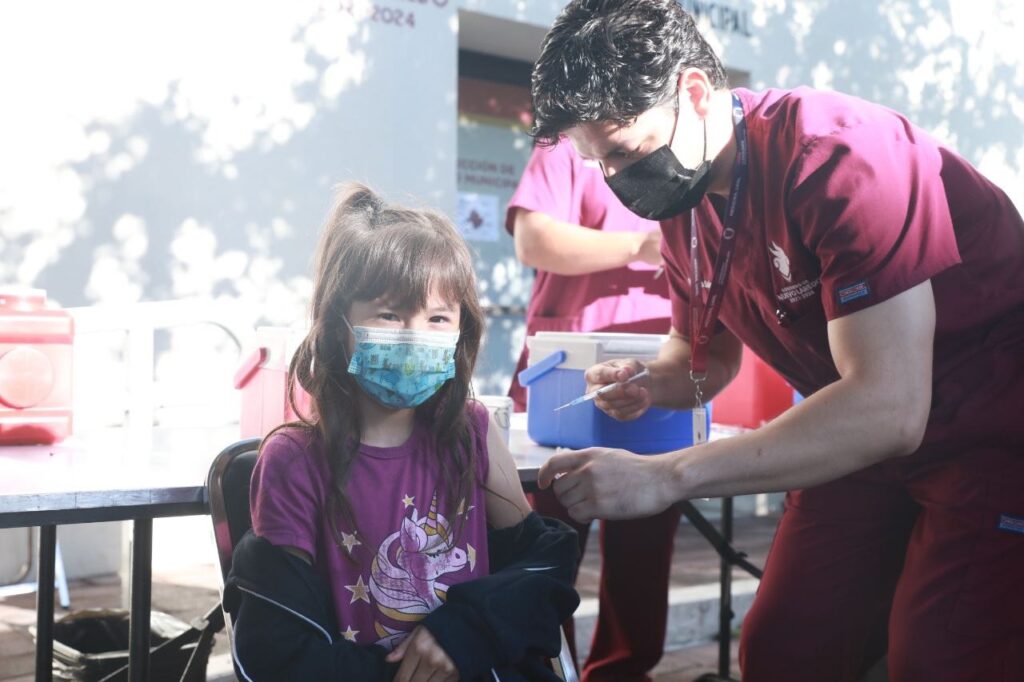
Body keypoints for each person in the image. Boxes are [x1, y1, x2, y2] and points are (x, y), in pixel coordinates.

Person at [530, 1, 1024, 681]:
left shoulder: (841, 156)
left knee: (939, 658)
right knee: (782, 648)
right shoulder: (686, 204)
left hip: (987, 428)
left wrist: (666, 477)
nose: (616, 180)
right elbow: (704, 359)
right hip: (853, 433)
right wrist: (650, 384)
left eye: (623, 151)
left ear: (695, 93)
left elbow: (890, 406)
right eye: (597, 164)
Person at [224, 183, 580, 681]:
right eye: (389, 314)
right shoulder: (294, 460)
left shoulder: (470, 433)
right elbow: (281, 645)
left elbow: (541, 566)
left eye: (438, 318)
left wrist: (464, 633)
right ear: (337, 325)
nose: (415, 336)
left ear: (461, 331)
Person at [507, 140, 679, 682]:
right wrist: (639, 245)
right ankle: (544, 669)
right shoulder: (570, 147)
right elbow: (534, 239)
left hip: (661, 368)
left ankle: (622, 673)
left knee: (644, 559)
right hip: (566, 376)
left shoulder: (686, 152)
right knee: (545, 549)